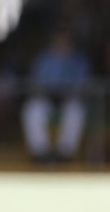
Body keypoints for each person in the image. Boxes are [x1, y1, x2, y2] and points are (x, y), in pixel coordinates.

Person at [22, 29, 91, 163]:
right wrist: (47, 93)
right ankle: (40, 153)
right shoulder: (44, 58)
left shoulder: (79, 60)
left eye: (66, 40)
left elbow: (83, 85)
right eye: (59, 39)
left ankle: (65, 154)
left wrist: (68, 94)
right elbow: (36, 82)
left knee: (76, 110)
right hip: (47, 99)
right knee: (32, 109)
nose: (63, 43)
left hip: (70, 100)